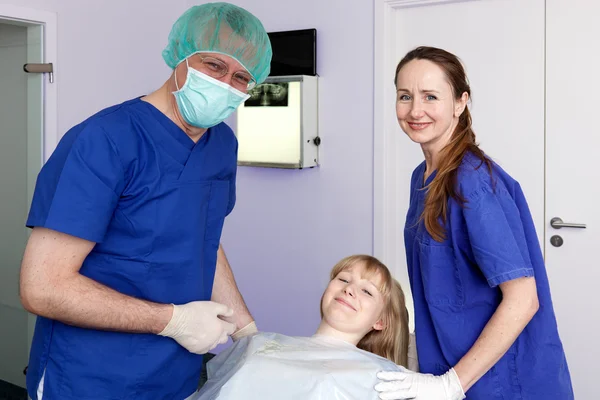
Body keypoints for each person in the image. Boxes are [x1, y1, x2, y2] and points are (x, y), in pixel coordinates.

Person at [18, 3, 271, 400]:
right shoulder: (104, 140)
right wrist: (173, 321)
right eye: (213, 66)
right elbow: (43, 287)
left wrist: (245, 331)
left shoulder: (222, 144)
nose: (226, 83)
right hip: (90, 376)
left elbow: (204, 237)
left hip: (178, 374)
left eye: (241, 77)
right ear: (180, 57)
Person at [374, 46, 573, 400]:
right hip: (454, 369)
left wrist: (452, 384)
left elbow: (524, 299)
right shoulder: (423, 177)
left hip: (499, 381)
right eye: (405, 96)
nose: (415, 110)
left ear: (460, 102)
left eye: (430, 96)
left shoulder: (472, 182)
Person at [194, 255, 415, 399]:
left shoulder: (383, 375)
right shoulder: (261, 342)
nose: (349, 290)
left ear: (380, 321)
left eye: (367, 291)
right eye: (343, 279)